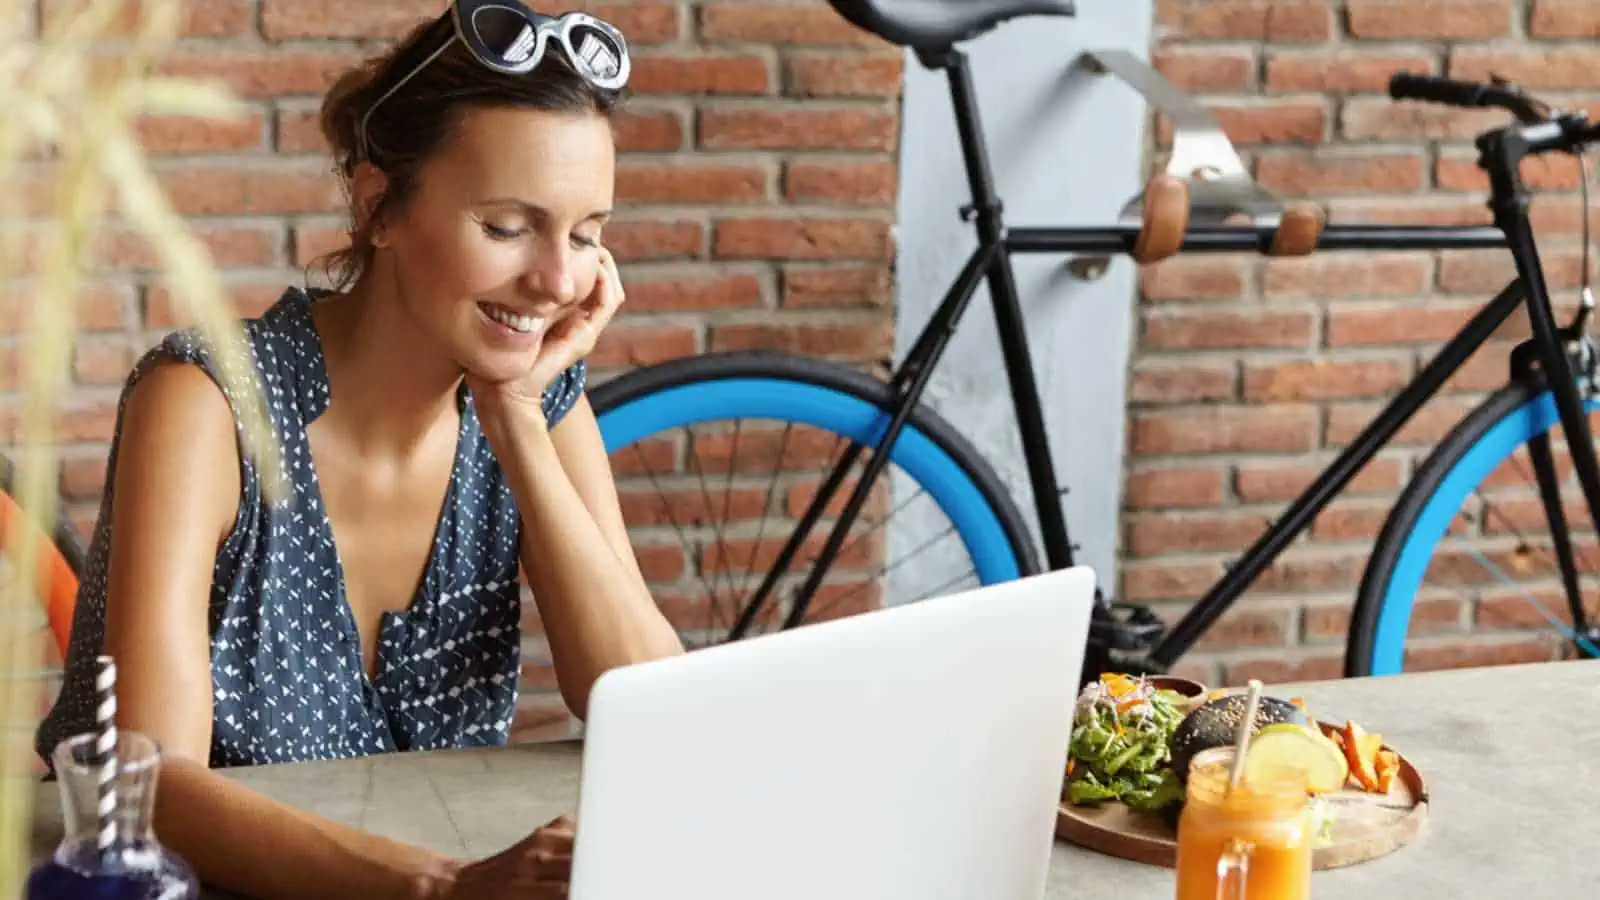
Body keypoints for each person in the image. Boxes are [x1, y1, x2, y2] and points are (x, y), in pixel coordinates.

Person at [33, 2, 684, 897]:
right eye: (506, 227)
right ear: (379, 206)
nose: (557, 280)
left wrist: (515, 415)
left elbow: (656, 719)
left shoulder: (538, 407)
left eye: (585, 234)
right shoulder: (206, 402)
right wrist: (442, 888)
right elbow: (159, 790)